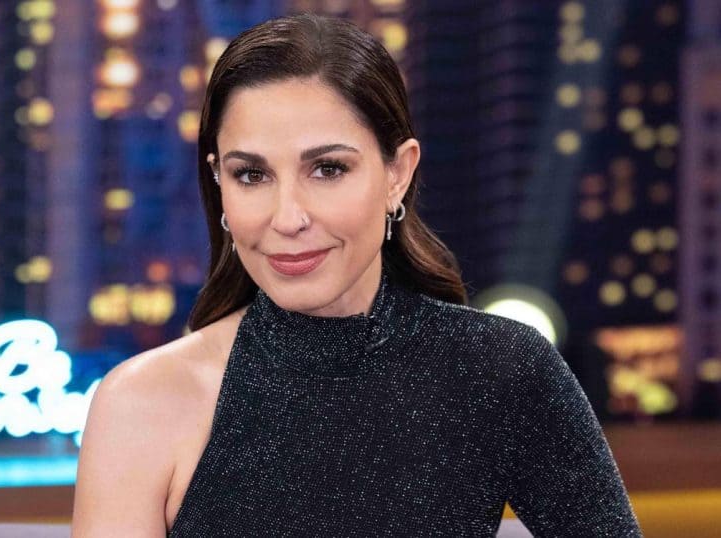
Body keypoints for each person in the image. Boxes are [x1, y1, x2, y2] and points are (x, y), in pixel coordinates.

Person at [72, 13, 643, 537]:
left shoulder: (501, 372)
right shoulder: (140, 403)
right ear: (219, 180)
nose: (288, 218)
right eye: (252, 175)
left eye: (327, 169)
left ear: (398, 173)